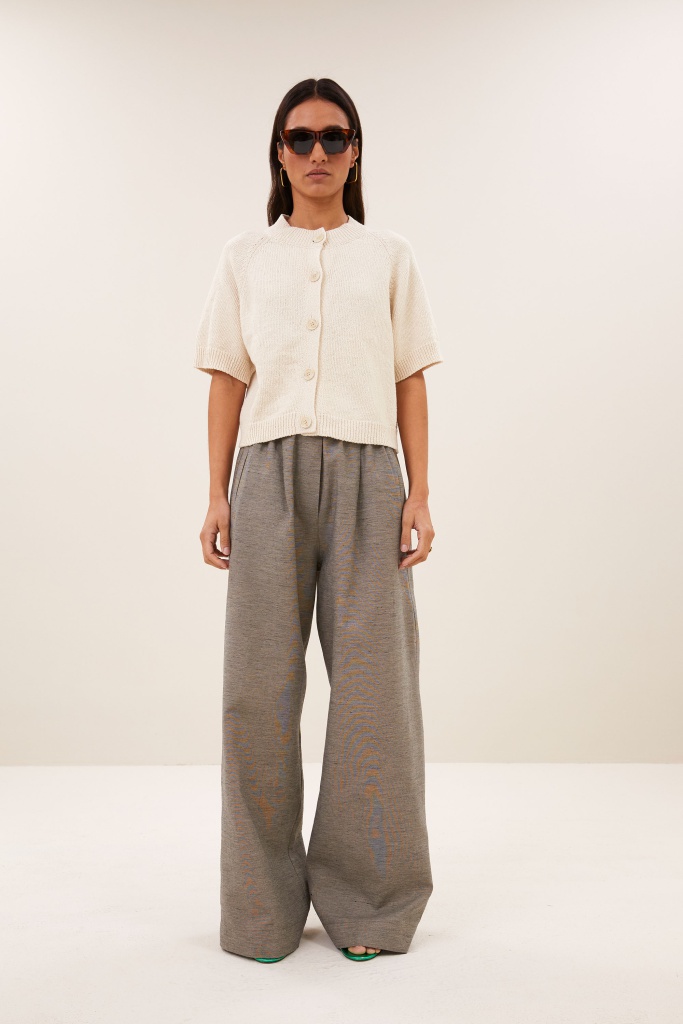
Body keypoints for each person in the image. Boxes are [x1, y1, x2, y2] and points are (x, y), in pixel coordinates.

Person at [194, 78, 443, 964]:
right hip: (266, 476)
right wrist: (217, 492)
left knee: (375, 695)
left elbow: (410, 376)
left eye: (334, 138)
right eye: (299, 139)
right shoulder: (244, 257)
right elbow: (226, 378)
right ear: (278, 153)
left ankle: (370, 907)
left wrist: (419, 492)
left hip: (370, 475)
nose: (317, 154)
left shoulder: (389, 256)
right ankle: (260, 912)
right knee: (256, 692)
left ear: (355, 151)